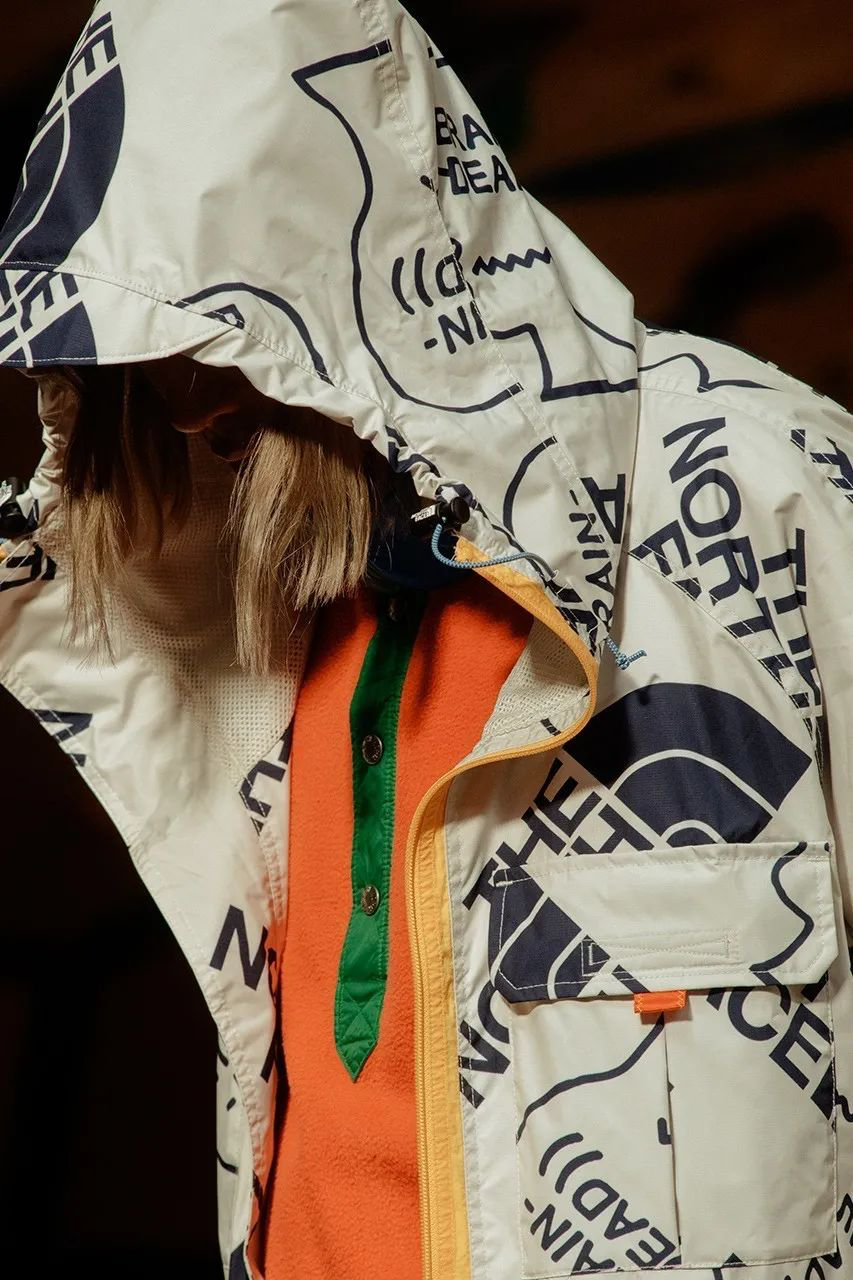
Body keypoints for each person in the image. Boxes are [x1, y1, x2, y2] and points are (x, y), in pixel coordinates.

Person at [1, 3, 852, 1280]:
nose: (185, 405)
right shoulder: (253, 619)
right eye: (146, 353)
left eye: (214, 331)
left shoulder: (766, 481)